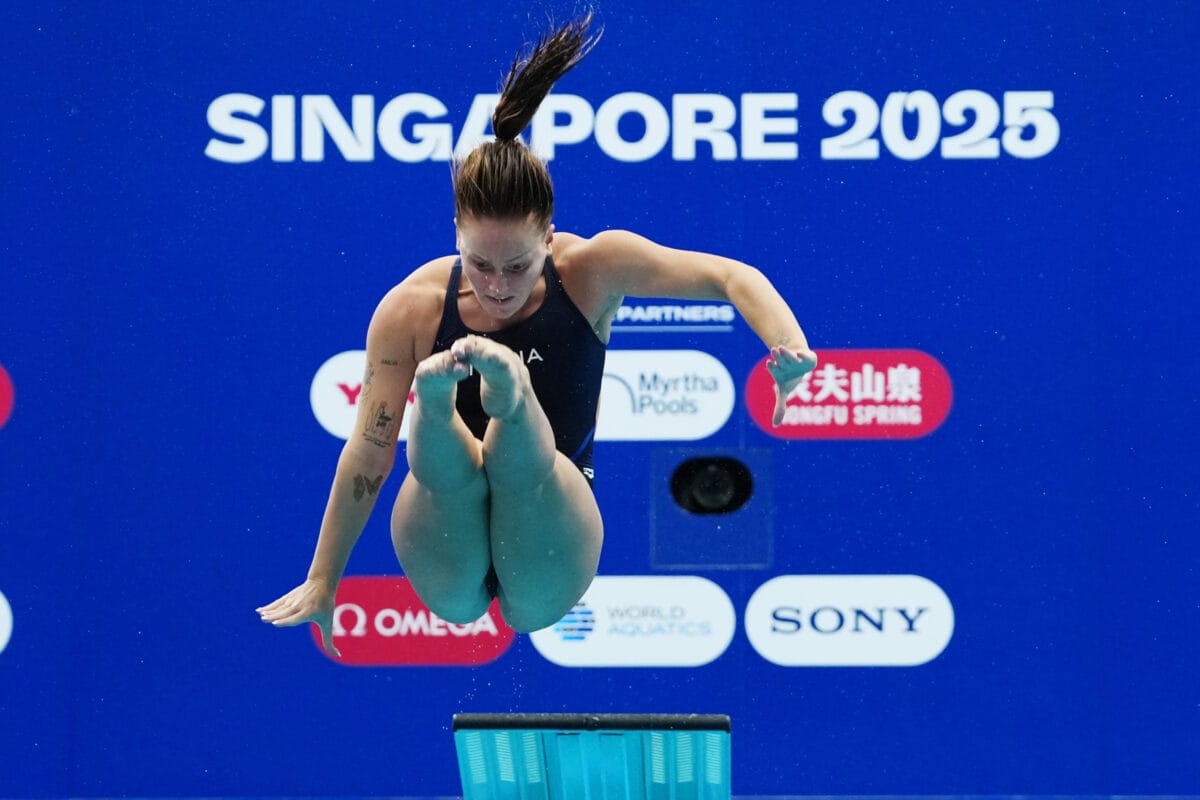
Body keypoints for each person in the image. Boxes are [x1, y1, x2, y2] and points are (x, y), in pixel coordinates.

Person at [257, 15, 817, 657]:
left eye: (518, 266)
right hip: (445, 528)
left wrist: (788, 346)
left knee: (526, 468)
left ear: (549, 239)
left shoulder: (592, 269)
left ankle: (509, 395)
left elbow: (730, 276)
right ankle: (440, 408)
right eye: (479, 264)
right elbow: (368, 453)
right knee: (444, 475)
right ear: (456, 236)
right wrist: (324, 578)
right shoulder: (410, 309)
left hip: (553, 507)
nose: (498, 286)